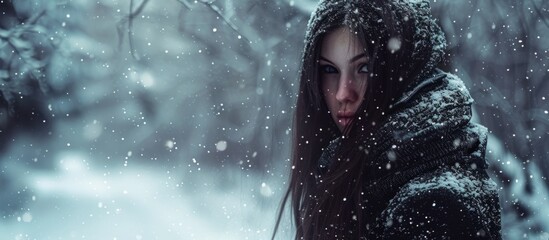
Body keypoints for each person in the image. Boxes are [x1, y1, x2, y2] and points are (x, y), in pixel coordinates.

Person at [272, 0, 502, 239]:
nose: (343, 93)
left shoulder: (435, 204)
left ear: (405, 74)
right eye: (329, 70)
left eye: (363, 68)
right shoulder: (362, 176)